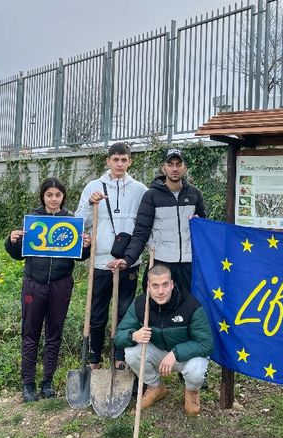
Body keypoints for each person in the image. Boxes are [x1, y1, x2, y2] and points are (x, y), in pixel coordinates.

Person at [5, 177, 90, 403]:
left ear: (63, 197)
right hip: (34, 284)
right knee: (30, 333)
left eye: (58, 195)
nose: (54, 199)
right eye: (49, 195)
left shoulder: (71, 221)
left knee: (54, 333)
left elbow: (79, 256)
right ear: (42, 196)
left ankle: (47, 382)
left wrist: (86, 246)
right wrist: (12, 241)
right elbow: (18, 254)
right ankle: (28, 384)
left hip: (61, 284)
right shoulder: (32, 220)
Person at [75, 142, 148, 370]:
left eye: (124, 160)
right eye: (115, 159)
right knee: (97, 313)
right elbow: (80, 221)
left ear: (130, 162)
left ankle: (120, 357)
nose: (119, 164)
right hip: (100, 261)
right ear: (108, 161)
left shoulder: (140, 190)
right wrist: (90, 203)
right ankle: (94, 359)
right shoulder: (93, 186)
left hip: (128, 262)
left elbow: (144, 224)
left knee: (124, 312)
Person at [114, 264, 213, 415]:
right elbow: (119, 336)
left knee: (196, 370)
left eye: (165, 285)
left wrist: (175, 353)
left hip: (185, 356)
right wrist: (133, 335)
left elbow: (206, 344)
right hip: (158, 352)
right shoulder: (140, 304)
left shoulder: (190, 305)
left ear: (172, 284)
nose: (161, 291)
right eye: (155, 286)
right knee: (132, 353)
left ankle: (192, 392)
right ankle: (155, 387)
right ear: (148, 287)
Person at [108, 149, 206, 292]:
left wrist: (200, 224)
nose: (174, 169)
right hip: (161, 262)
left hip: (188, 264)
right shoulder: (151, 196)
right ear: (163, 168)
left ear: (184, 168)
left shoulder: (195, 194)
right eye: (170, 164)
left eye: (178, 164)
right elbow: (141, 232)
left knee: (188, 304)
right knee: (158, 303)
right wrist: (128, 259)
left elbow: (204, 230)